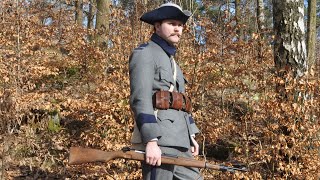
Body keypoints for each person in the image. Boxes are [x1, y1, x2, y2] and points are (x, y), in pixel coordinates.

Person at [129, 2, 202, 180]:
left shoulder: (173, 63)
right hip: (160, 140)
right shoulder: (145, 53)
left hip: (180, 142)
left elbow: (181, 102)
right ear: (157, 26)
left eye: (180, 25)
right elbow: (141, 100)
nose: (177, 29)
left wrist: (191, 135)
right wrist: (151, 141)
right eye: (171, 23)